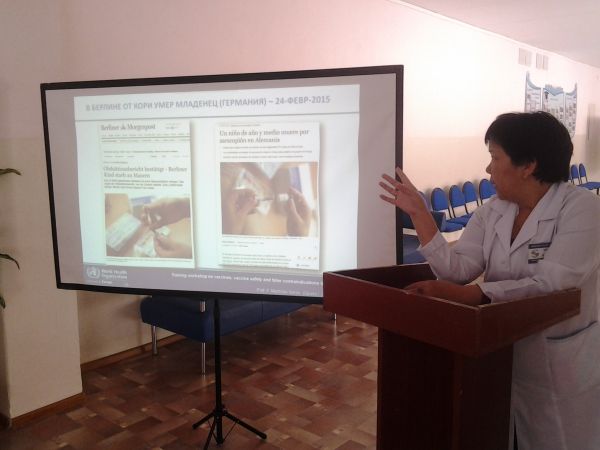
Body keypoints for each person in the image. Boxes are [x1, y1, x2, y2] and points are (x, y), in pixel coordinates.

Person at [379, 111, 600, 450]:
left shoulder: (583, 210)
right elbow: (456, 270)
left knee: (561, 439)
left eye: (495, 158)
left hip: (558, 358)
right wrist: (419, 214)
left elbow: (552, 285)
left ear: (528, 166)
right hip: (498, 352)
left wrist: (471, 296)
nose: (488, 169)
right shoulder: (494, 210)